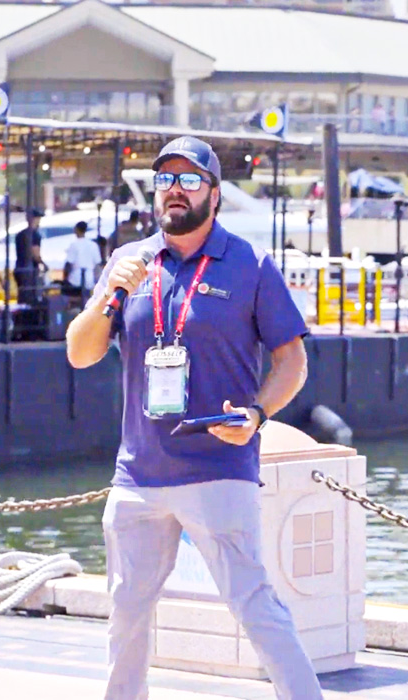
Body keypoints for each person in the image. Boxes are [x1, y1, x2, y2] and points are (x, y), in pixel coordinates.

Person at [65, 136, 322, 700]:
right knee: (125, 618)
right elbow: (80, 353)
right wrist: (109, 293)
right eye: (164, 180)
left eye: (188, 180)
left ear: (215, 194)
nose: (174, 191)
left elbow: (293, 361)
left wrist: (257, 413)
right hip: (137, 477)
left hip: (218, 470)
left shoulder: (250, 264)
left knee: (254, 605)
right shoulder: (129, 263)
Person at [62, 220, 102, 296]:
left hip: (75, 279)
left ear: (76, 230)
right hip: (89, 280)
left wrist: (64, 279)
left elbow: (69, 263)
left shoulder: (74, 245)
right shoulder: (93, 245)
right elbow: (98, 264)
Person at [14, 208, 45, 305]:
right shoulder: (35, 235)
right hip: (30, 271)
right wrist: (43, 264)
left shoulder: (20, 234)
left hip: (19, 268)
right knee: (31, 297)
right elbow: (35, 253)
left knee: (22, 295)